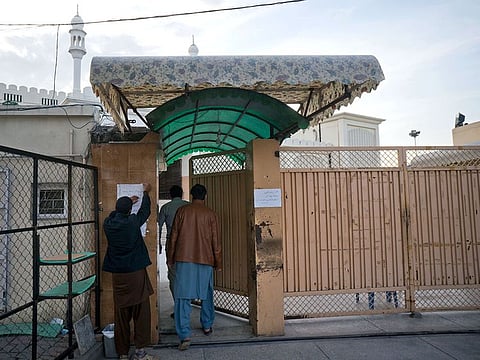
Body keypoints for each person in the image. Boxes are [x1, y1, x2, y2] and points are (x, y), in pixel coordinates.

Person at [102, 183, 158, 360]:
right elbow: (145, 212)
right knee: (141, 312)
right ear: (129, 211)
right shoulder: (133, 222)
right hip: (135, 273)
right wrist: (145, 194)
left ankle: (123, 353)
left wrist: (124, 206)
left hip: (118, 276)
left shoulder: (108, 224)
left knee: (121, 315)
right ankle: (140, 352)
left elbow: (113, 215)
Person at [167, 184, 222, 351]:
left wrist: (170, 258)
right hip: (205, 259)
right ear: (205, 196)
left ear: (191, 196)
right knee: (206, 293)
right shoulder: (211, 214)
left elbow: (173, 236)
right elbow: (216, 242)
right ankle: (206, 325)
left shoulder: (182, 212)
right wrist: (218, 262)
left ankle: (184, 335)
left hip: (184, 258)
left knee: (183, 296)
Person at [157, 185, 189, 307]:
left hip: (172, 244)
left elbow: (159, 226)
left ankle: (178, 305)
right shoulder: (188, 206)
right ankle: (186, 304)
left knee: (173, 274)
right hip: (188, 244)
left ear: (170, 195)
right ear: (182, 194)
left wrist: (159, 244)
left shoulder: (165, 207)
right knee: (187, 273)